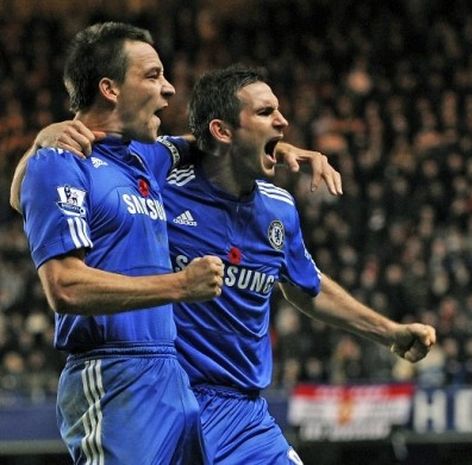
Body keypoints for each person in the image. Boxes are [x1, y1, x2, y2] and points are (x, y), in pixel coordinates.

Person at [10, 23, 340, 465]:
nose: (168, 90)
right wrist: (179, 285)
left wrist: (277, 147)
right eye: (152, 76)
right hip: (111, 375)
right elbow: (65, 287)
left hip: (170, 378)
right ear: (109, 88)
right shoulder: (63, 160)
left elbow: (216, 142)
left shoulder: (147, 157)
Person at [168, 64, 436, 464]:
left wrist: (389, 332)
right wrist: (48, 141)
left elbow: (306, 286)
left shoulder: (278, 208)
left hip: (245, 418)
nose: (283, 121)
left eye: (278, 110)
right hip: (170, 405)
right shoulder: (161, 191)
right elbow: (94, 159)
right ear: (221, 131)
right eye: (264, 113)